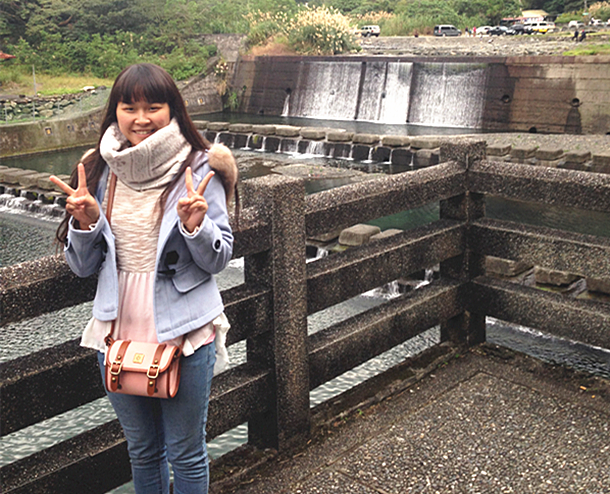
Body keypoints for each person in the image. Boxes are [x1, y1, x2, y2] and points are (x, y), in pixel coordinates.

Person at [50, 62, 237, 494]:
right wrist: (86, 224)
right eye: (129, 107)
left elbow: (219, 259)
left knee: (186, 452)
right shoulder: (100, 169)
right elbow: (82, 267)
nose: (141, 119)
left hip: (184, 331)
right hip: (117, 332)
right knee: (142, 450)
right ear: (114, 111)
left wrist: (196, 226)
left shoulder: (200, 166)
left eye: (153, 107)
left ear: (173, 110)